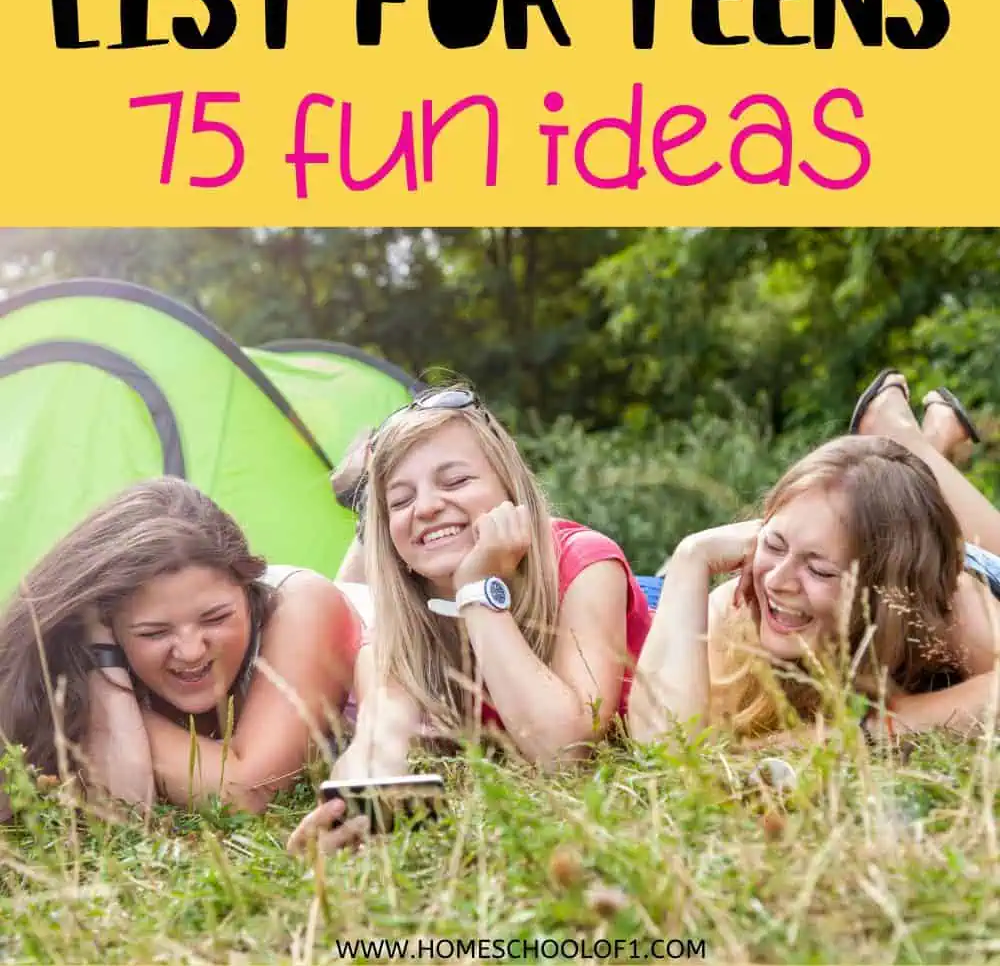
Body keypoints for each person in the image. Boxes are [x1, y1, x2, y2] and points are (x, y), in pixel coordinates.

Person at [288, 384, 652, 857]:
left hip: (638, 611)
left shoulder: (585, 564)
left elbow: (564, 756)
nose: (426, 507)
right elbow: (381, 738)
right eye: (399, 501)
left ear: (509, 486)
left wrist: (478, 589)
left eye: (455, 481)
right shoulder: (400, 627)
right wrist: (346, 809)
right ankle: (366, 510)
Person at [628, 371, 1000, 745]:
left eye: (818, 569)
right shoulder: (743, 603)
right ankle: (914, 445)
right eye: (773, 544)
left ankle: (906, 438)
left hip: (964, 561)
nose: (777, 581)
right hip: (901, 533)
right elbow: (662, 745)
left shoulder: (945, 602)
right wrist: (691, 556)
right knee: (887, 496)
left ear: (881, 588)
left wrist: (861, 733)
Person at [0, 478, 360, 812]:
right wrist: (96, 660)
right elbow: (126, 807)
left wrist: (71, 715)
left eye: (216, 618)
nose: (191, 651)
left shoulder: (300, 603)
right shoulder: (97, 648)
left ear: (247, 589)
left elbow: (246, 792)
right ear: (109, 625)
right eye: (154, 633)